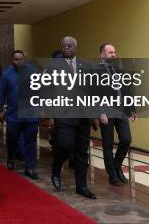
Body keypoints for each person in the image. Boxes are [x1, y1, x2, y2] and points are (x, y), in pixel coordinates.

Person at [49, 36, 97, 199]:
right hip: (63, 115)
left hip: (83, 117)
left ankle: (81, 186)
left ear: (76, 48)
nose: (66, 48)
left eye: (69, 46)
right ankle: (56, 167)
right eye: (63, 46)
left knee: (82, 153)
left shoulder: (86, 65)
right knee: (66, 145)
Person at [0, 50, 40, 179]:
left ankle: (30, 167)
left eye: (20, 59)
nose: (18, 61)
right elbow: (1, 94)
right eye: (16, 59)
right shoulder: (6, 74)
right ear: (12, 60)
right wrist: (0, 110)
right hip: (13, 115)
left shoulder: (32, 71)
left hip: (31, 114)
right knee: (12, 139)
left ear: (24, 59)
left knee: (30, 141)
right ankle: (11, 157)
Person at [98, 43, 135, 186]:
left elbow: (125, 90)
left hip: (120, 112)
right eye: (110, 52)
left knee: (126, 139)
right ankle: (112, 174)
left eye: (114, 52)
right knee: (107, 145)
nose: (114, 55)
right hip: (106, 113)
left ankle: (116, 166)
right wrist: (100, 112)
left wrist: (131, 109)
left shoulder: (118, 70)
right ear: (102, 54)